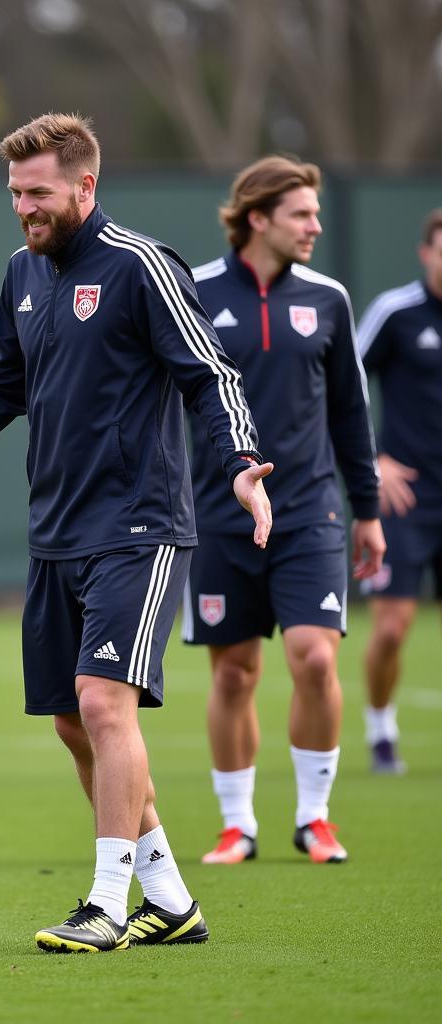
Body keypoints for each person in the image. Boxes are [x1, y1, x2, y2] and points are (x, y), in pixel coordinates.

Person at [0, 113, 273, 953]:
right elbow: (2, 388)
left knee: (106, 705)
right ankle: (171, 899)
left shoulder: (143, 266)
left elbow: (210, 375)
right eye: (14, 194)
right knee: (76, 722)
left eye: (38, 193)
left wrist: (241, 460)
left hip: (139, 527)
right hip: (56, 533)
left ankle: (107, 903)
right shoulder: (21, 273)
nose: (24, 208)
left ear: (85, 186)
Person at [184, 156, 384, 866]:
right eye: (301, 214)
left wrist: (367, 510)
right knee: (234, 671)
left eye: (318, 213)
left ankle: (314, 817)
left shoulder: (328, 297)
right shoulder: (195, 293)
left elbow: (349, 414)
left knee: (313, 659)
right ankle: (237, 825)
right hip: (217, 515)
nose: (315, 227)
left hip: (309, 515)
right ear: (258, 217)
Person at [357, 208, 442, 774]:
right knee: (391, 627)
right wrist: (374, 460)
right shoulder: (396, 311)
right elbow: (343, 380)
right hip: (406, 498)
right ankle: (381, 726)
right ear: (426, 252)